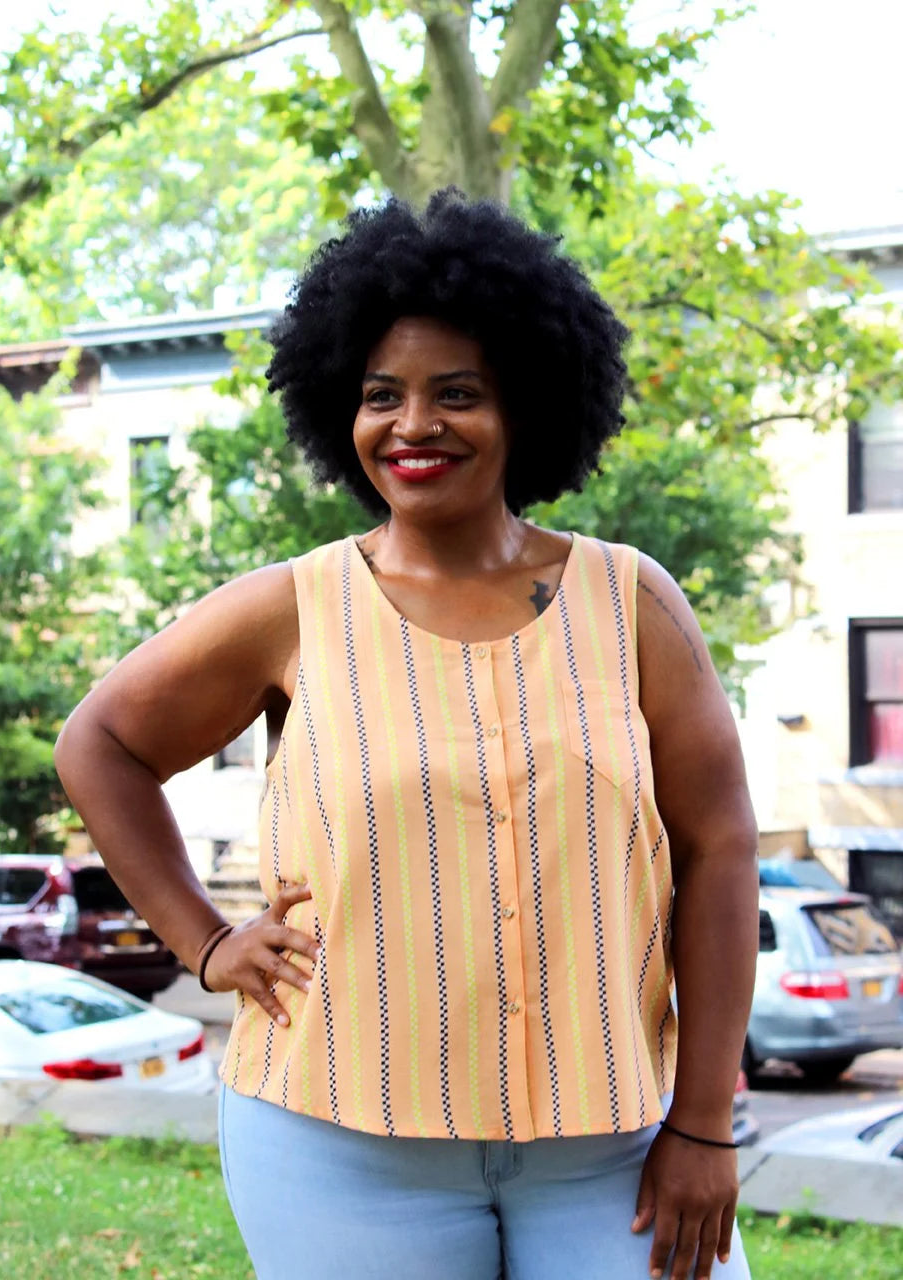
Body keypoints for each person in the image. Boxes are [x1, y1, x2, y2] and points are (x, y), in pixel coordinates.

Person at [54, 190, 758, 1280]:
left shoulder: (632, 602)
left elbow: (720, 850)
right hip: (338, 1140)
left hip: (609, 1145)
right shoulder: (292, 606)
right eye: (382, 394)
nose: (413, 425)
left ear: (525, 404)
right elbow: (99, 742)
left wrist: (704, 1121)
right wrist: (205, 939)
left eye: (457, 394)